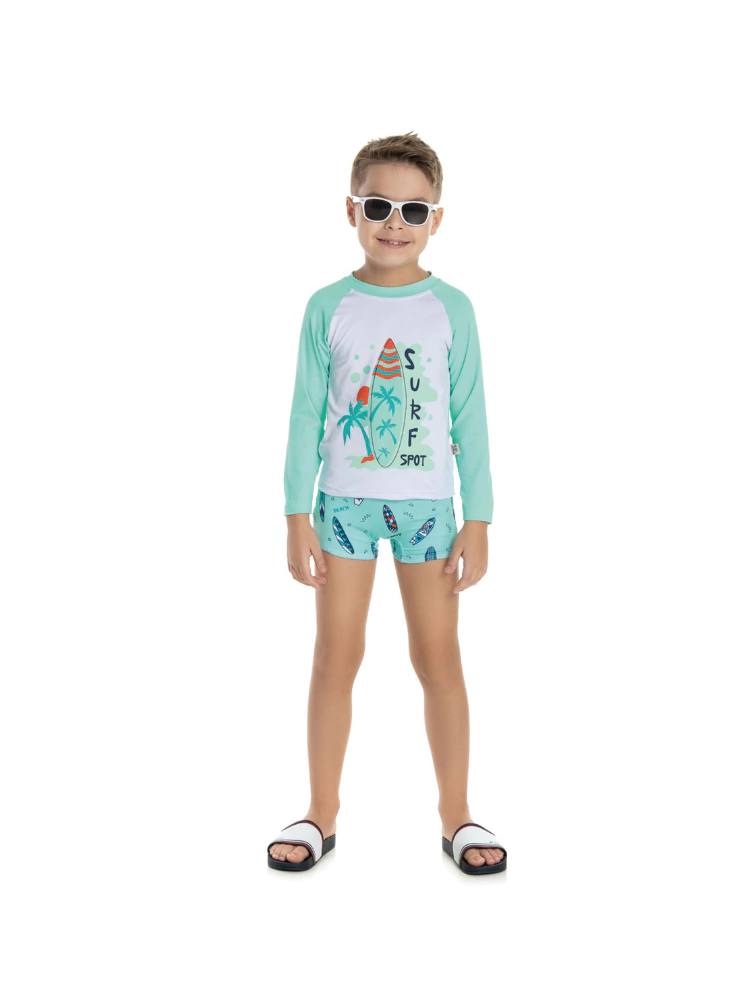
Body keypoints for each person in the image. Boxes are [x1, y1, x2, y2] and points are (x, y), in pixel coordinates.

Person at [267, 132, 506, 875]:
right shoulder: (328, 306)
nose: (394, 223)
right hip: (342, 508)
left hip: (429, 512)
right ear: (351, 211)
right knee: (335, 656)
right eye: (377, 207)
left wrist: (479, 516)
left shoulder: (452, 309)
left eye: (413, 209)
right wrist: (295, 512)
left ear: (437, 219)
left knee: (438, 657)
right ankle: (321, 812)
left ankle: (456, 813)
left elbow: (470, 415)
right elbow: (307, 413)